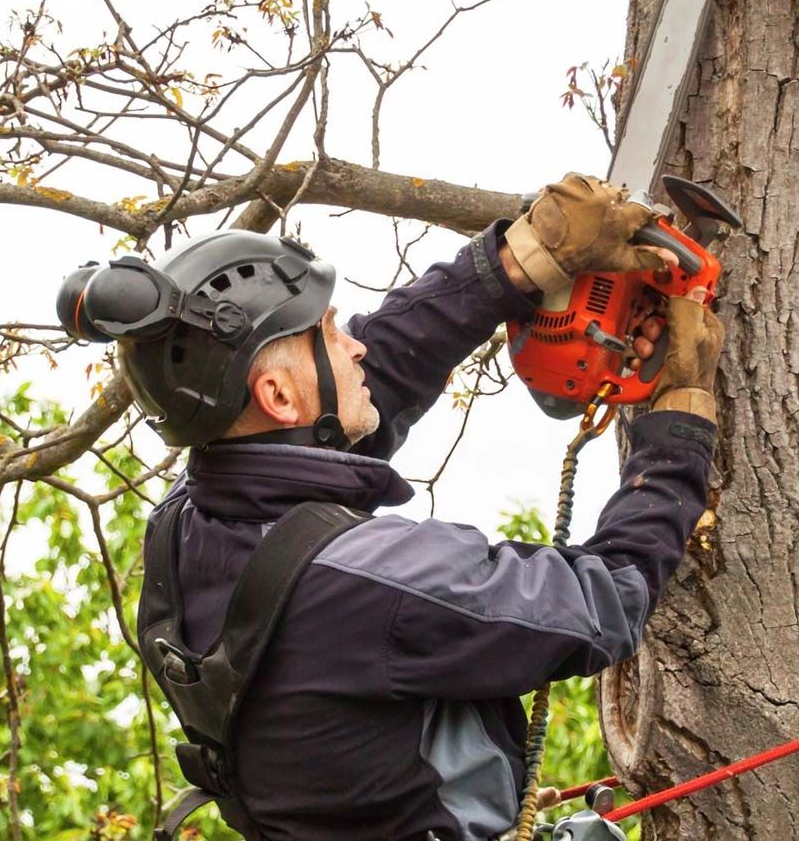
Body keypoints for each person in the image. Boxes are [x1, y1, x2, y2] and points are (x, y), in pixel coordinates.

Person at [57, 174, 723, 841]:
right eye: (328, 332)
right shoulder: (375, 580)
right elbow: (606, 600)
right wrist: (678, 421)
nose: (355, 346)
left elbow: (384, 368)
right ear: (279, 396)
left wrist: (514, 261)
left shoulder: (185, 525)